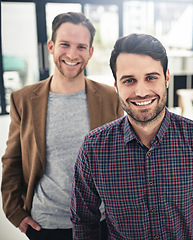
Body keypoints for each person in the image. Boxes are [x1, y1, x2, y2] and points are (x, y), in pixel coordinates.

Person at [70, 33, 193, 239]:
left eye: (151, 78)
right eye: (129, 80)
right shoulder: (94, 148)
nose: (141, 92)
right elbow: (83, 221)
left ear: (166, 78)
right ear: (116, 86)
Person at [1, 12, 123, 240]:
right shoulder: (24, 99)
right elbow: (12, 160)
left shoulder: (110, 97)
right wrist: (15, 213)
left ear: (90, 52)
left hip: (101, 222)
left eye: (81, 47)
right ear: (51, 46)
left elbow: (124, 157)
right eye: (65, 44)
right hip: (46, 225)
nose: (72, 54)